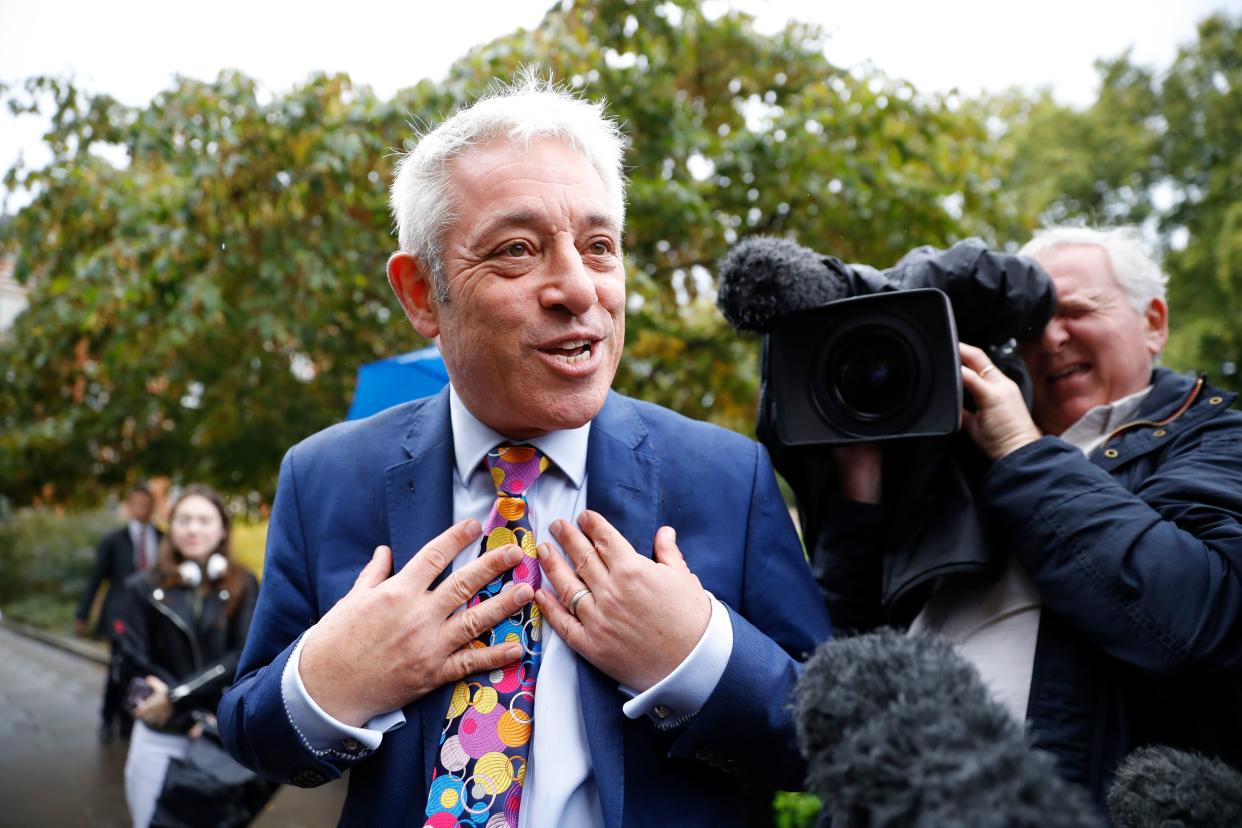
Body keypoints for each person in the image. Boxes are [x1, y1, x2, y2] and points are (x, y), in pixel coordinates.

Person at [217, 74, 830, 827]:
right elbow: (252, 733)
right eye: (517, 250)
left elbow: (823, 740)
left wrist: (698, 657)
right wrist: (330, 681)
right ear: (420, 294)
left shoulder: (726, 477)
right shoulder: (324, 477)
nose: (578, 288)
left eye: (600, 247)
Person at [817, 225, 1242, 803]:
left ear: (1154, 322)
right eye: (1029, 326)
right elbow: (843, 637)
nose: (1050, 340)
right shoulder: (953, 446)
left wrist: (1020, 449)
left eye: (1077, 310)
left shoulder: (1215, 437)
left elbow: (1201, 616)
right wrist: (861, 477)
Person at [117, 484, 260, 828]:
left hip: (215, 736)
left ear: (223, 528)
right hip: (160, 733)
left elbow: (243, 655)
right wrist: (182, 710)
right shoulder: (142, 586)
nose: (193, 529)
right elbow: (134, 658)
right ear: (171, 526)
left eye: (204, 520)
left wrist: (184, 702)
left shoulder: (245, 583)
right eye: (184, 520)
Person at [76, 483, 162, 743]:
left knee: (139, 670)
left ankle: (128, 720)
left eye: (147, 504)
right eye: (138, 503)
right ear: (130, 506)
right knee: (117, 668)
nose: (142, 508)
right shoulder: (113, 540)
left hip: (151, 618)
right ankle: (107, 718)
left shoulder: (162, 538)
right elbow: (96, 579)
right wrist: (83, 613)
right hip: (120, 616)